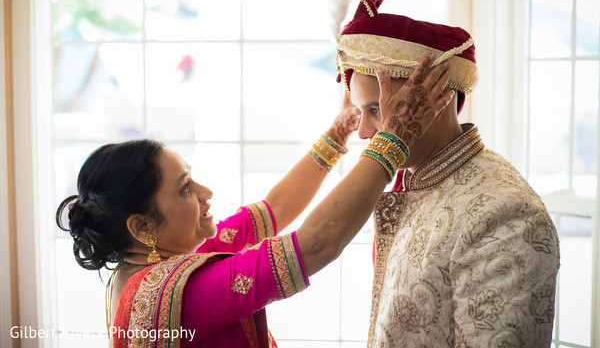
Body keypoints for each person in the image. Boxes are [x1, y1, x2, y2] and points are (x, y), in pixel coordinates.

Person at [56, 54, 455, 348]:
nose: (205, 193)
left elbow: (275, 210)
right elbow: (315, 245)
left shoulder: (161, 260)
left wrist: (339, 132)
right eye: (184, 188)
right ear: (142, 226)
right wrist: (394, 140)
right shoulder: (172, 296)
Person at [333, 0, 560, 348]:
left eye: (375, 109)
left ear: (437, 97)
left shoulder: (506, 215)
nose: (362, 132)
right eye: (361, 111)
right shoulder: (412, 181)